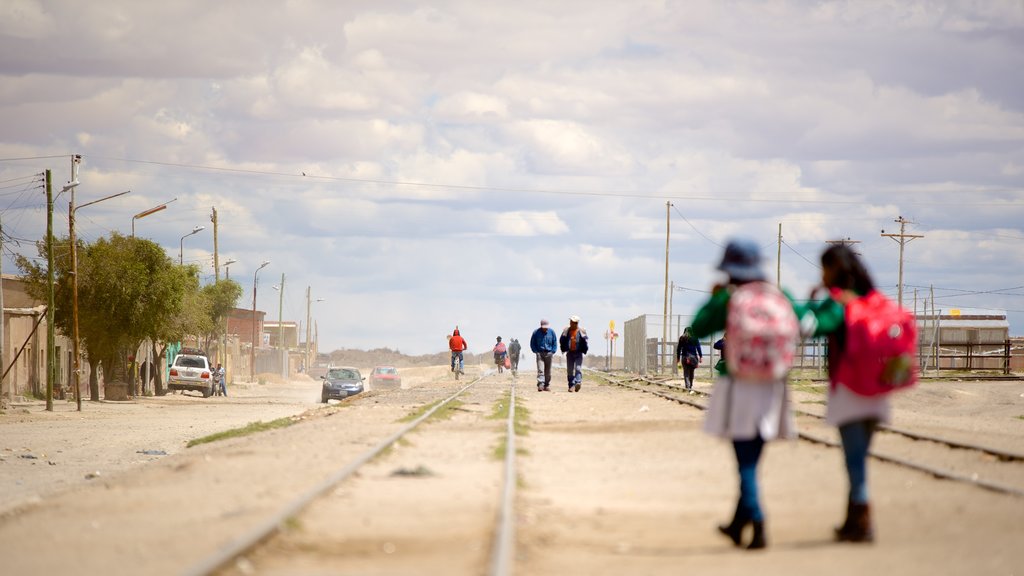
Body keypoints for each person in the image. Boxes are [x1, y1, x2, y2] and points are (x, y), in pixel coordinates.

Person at [691, 238, 804, 551]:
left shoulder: (729, 298)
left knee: (745, 463)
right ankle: (737, 524)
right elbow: (807, 324)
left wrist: (715, 300)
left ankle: (758, 521)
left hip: (738, 385)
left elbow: (697, 328)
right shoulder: (779, 296)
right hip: (773, 386)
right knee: (753, 457)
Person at [805, 244, 889, 543]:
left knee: (853, 460)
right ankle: (851, 520)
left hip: (849, 390)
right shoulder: (874, 300)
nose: (822, 274)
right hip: (878, 389)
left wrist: (812, 303)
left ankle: (863, 521)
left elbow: (811, 328)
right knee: (860, 456)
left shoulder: (839, 303)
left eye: (824, 267)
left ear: (835, 269)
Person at [560, 315, 589, 392]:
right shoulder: (566, 331)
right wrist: (563, 347)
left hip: (578, 353)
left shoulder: (581, 331)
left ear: (576, 323)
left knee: (578, 368)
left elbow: (585, 341)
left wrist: (584, 349)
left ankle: (578, 383)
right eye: (570, 322)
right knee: (570, 370)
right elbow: (561, 340)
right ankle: (571, 385)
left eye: (573, 322)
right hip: (570, 353)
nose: (571, 324)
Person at [530, 319, 558, 391]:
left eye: (546, 327)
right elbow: (532, 343)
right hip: (540, 353)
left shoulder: (552, 332)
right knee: (541, 370)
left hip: (549, 354)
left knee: (548, 371)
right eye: (543, 327)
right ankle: (541, 384)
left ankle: (546, 385)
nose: (545, 328)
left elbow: (555, 343)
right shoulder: (536, 332)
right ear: (541, 326)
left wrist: (552, 352)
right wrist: (536, 352)